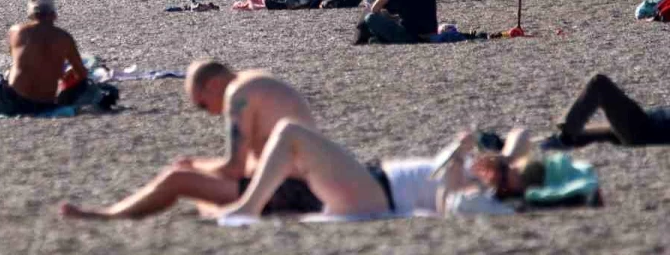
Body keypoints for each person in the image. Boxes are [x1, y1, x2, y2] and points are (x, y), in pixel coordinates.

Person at [58, 62, 322, 219]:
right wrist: (199, 166)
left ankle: (110, 216)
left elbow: (235, 169)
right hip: (308, 186)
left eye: (203, 104)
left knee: (177, 179)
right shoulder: (257, 80)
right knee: (199, 192)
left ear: (214, 85)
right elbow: (256, 164)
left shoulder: (238, 95)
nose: (210, 112)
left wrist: (192, 167)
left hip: (292, 191)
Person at [208, 124, 584, 221]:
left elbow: (447, 205)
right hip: (372, 179)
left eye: (506, 178)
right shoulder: (495, 172)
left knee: (291, 133)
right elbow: (522, 134)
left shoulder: (487, 200)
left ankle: (246, 207)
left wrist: (456, 163)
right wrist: (503, 158)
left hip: (378, 193)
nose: (498, 175)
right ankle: (235, 199)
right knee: (268, 175)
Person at [545, 73, 670, 148]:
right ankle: (563, 138)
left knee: (599, 83)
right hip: (644, 124)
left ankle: (566, 134)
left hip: (641, 130)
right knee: (579, 136)